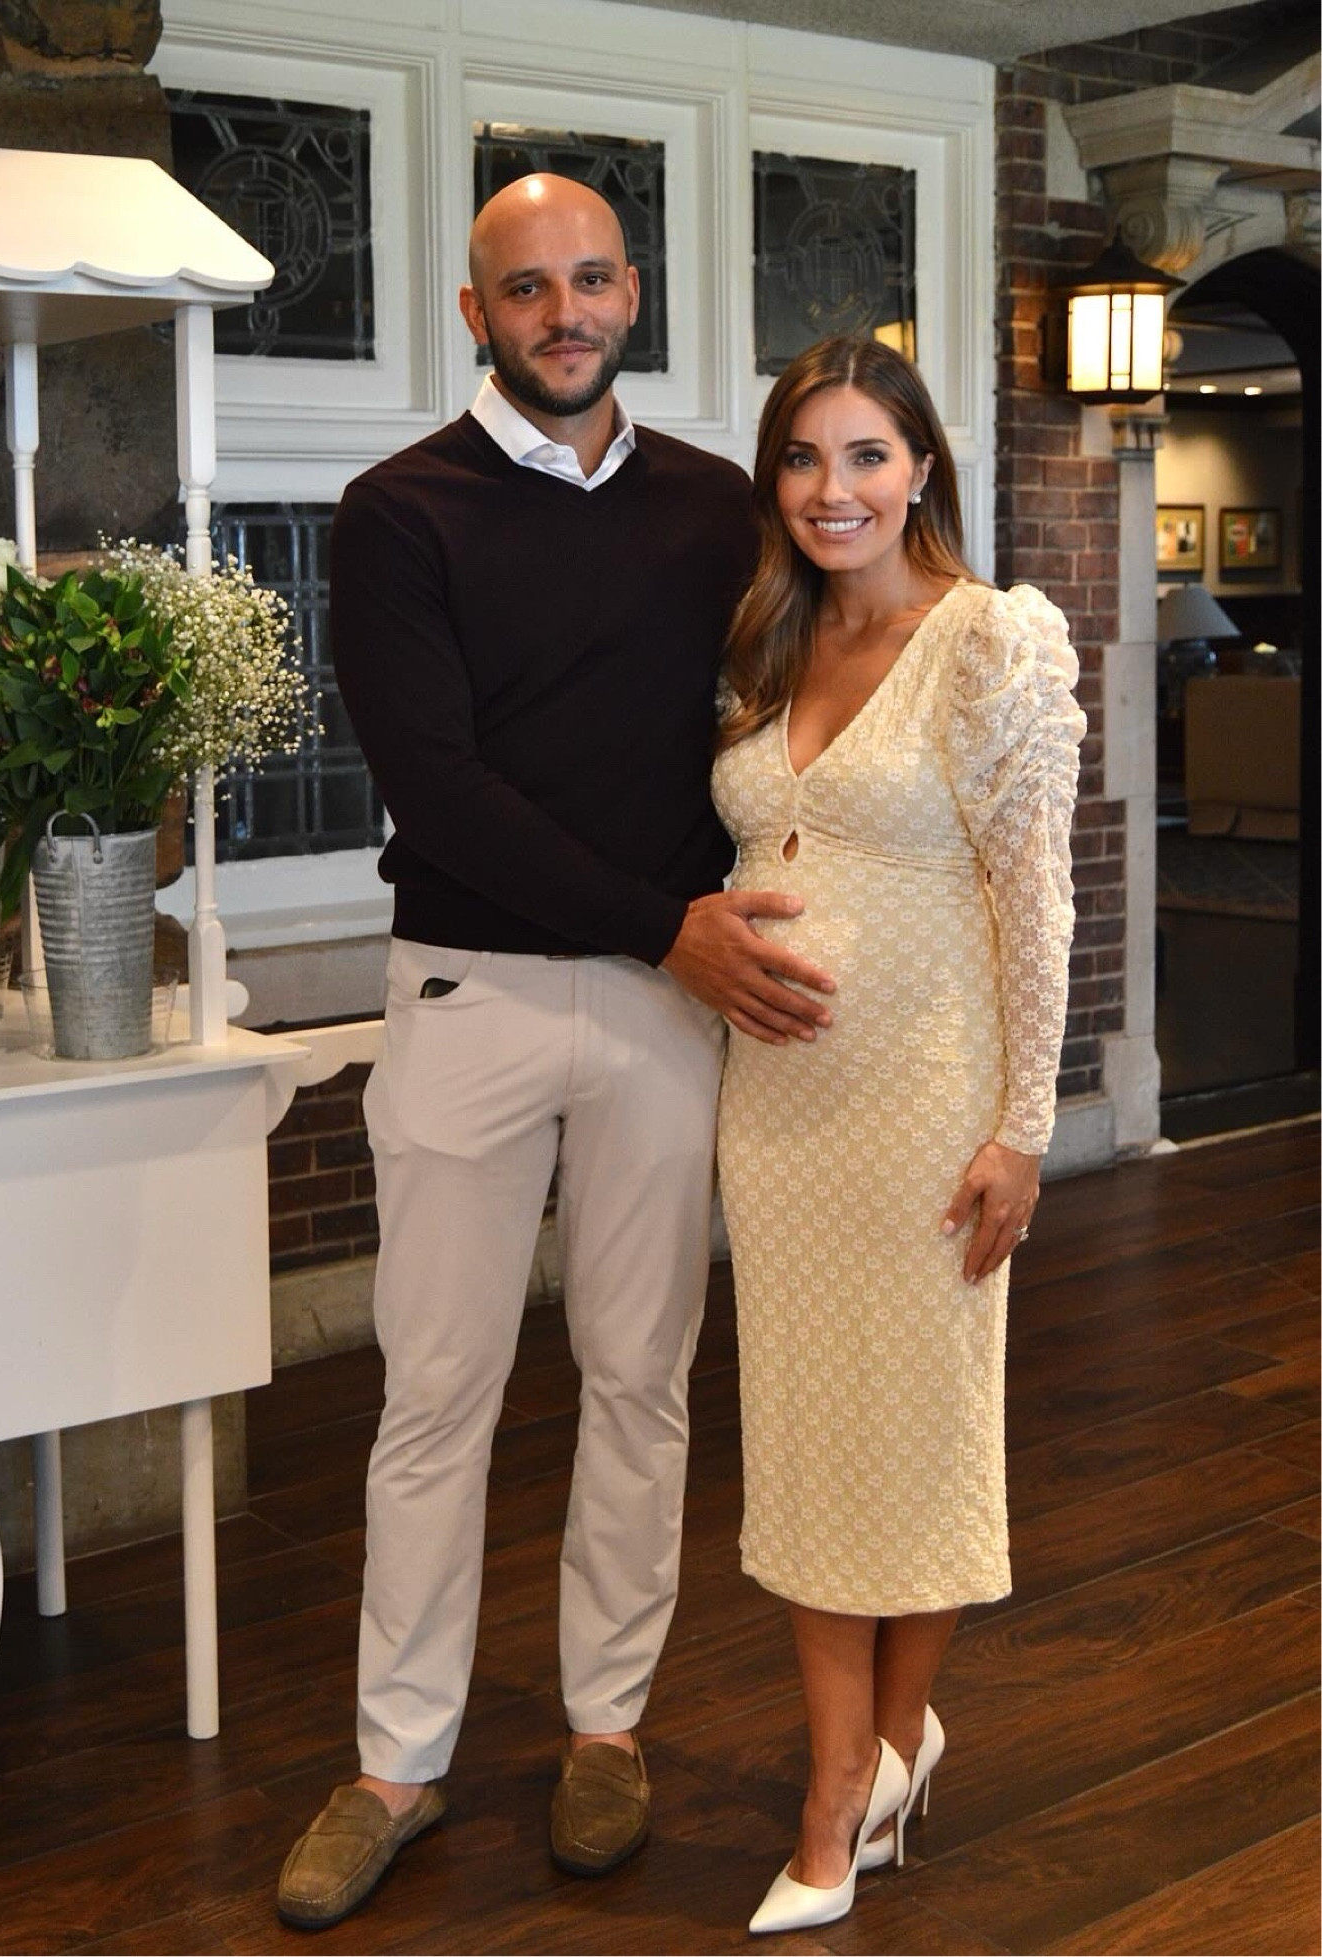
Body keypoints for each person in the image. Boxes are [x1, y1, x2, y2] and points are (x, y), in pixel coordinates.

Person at [274, 174, 838, 1932]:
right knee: (433, 1391)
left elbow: (793, 717)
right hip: (474, 990)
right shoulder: (398, 512)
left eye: (592, 279)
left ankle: (610, 1724)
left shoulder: (720, 511)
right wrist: (665, 918)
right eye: (529, 289)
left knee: (640, 1378)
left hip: (675, 1003)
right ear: (477, 315)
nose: (566, 310)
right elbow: (440, 788)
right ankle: (396, 1760)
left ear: (631, 291)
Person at [711, 335, 1084, 1935]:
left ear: (922, 464)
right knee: (801, 1438)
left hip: (929, 1112)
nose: (833, 490)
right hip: (779, 1117)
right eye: (803, 460)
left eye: (865, 455)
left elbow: (1040, 901)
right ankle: (854, 1757)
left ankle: (858, 1776)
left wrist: (1024, 1129)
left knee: (919, 1438)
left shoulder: (989, 642)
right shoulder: (766, 639)